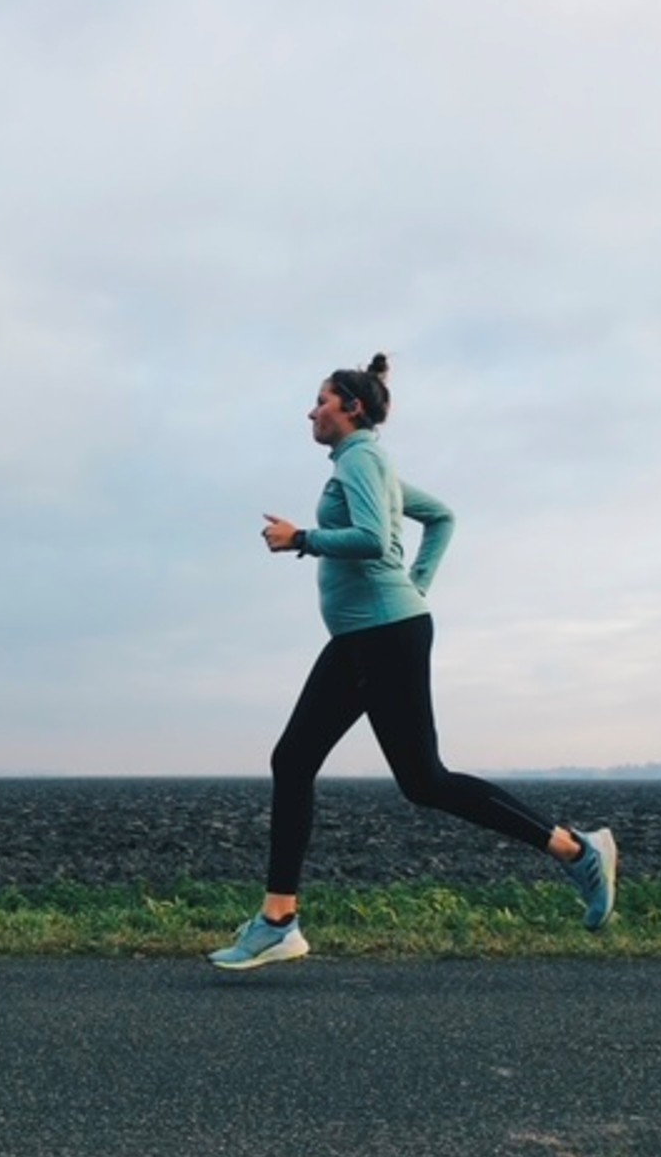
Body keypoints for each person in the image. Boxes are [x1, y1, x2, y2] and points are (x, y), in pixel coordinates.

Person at [208, 354, 617, 971]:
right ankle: (277, 919)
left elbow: (373, 539)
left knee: (425, 780)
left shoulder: (363, 458)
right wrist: (416, 581)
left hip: (385, 636)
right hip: (363, 638)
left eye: (321, 399)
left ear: (353, 407)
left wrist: (305, 540)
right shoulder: (364, 462)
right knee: (295, 760)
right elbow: (441, 516)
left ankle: (575, 850)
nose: (311, 410)